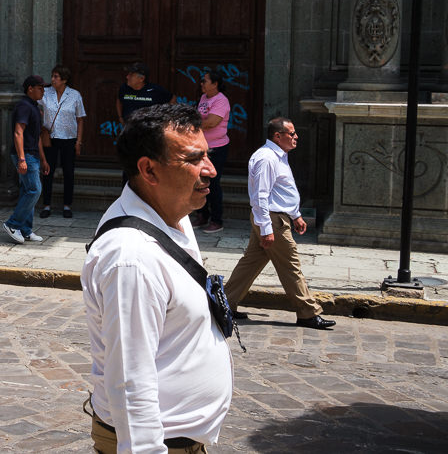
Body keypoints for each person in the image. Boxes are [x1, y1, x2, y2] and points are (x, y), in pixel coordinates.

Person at [82, 104, 232, 453]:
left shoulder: (174, 214)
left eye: (207, 155)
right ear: (149, 170)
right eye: (194, 160)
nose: (209, 170)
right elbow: (130, 381)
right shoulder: (131, 259)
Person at [224, 118, 335, 330]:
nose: (296, 137)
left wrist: (296, 215)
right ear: (278, 136)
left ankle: (225, 303)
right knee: (291, 265)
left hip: (276, 217)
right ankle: (308, 312)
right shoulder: (267, 158)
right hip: (272, 220)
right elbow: (260, 197)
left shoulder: (279, 156)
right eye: (291, 134)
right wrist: (267, 229)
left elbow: (283, 191)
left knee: (251, 263)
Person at [3, 75, 50, 244]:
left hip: (33, 155)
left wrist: (43, 159)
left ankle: (26, 230)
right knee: (34, 190)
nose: (43, 91)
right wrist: (22, 159)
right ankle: (12, 224)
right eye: (40, 88)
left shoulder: (34, 107)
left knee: (27, 191)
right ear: (30, 88)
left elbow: (36, 136)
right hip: (26, 155)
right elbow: (18, 132)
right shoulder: (24, 106)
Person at [39, 65, 86, 219]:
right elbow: (37, 108)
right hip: (50, 138)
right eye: (52, 76)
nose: (52, 79)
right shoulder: (45, 93)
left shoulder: (74, 95)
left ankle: (67, 205)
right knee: (47, 172)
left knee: (68, 172)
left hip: (69, 138)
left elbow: (80, 119)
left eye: (56, 77)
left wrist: (78, 141)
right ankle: (46, 205)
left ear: (64, 80)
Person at [191, 71, 230, 234]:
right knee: (197, 181)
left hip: (216, 147)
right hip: (201, 146)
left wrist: (193, 122)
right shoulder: (204, 98)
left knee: (212, 183)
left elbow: (212, 122)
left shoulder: (221, 100)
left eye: (204, 81)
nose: (201, 83)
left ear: (215, 84)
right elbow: (203, 120)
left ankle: (216, 220)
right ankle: (202, 214)